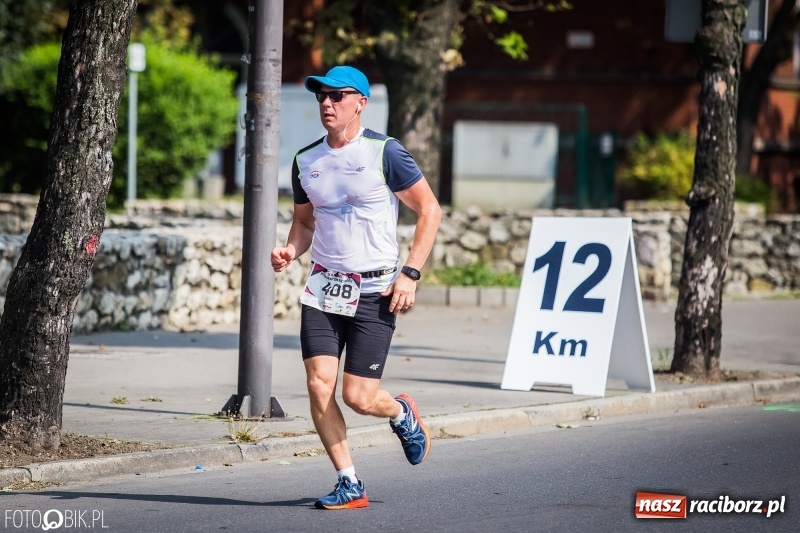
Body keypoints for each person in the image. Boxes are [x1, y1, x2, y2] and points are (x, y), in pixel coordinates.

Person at [271, 65, 442, 510]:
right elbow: (305, 221)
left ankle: (401, 412)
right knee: (317, 385)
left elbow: (430, 210)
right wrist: (291, 250)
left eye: (338, 96)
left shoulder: (385, 152)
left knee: (359, 397)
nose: (327, 103)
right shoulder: (305, 161)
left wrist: (411, 272)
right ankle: (350, 482)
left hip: (377, 289)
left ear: (360, 102)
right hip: (325, 288)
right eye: (321, 97)